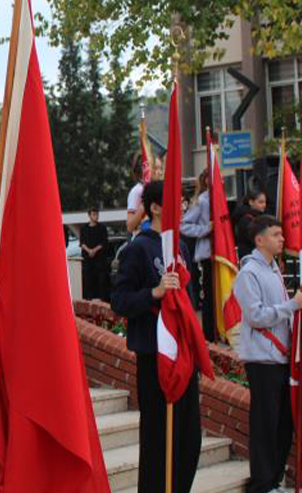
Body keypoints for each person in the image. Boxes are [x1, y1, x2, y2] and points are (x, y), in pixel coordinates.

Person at [111, 181, 201, 493]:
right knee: (158, 438)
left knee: (189, 439)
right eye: (175, 201)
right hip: (154, 355)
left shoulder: (181, 246)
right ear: (155, 207)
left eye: (184, 202)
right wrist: (155, 292)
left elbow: (190, 300)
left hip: (184, 355)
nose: (182, 207)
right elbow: (120, 301)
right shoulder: (138, 248)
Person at [233, 214, 302, 493]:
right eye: (276, 234)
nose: (282, 239)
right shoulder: (248, 273)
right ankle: (262, 483)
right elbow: (256, 316)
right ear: (259, 239)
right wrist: (293, 305)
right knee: (265, 425)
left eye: (281, 234)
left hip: (281, 358)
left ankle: (275, 478)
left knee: (283, 424)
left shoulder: (274, 269)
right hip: (262, 359)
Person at [180, 170, 214, 338]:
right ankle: (208, 333)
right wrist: (206, 230)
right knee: (209, 295)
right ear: (207, 180)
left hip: (222, 254)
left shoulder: (220, 200)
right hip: (208, 254)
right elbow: (183, 225)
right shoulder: (202, 201)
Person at [80, 208, 110, 301]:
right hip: (87, 259)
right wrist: (89, 251)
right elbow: (82, 242)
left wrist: (94, 250)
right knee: (88, 278)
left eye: (97, 214)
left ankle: (102, 298)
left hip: (100, 259)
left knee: (101, 278)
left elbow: (104, 242)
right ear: (89, 216)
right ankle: (89, 298)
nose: (96, 216)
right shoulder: (84, 228)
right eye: (93, 214)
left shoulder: (102, 228)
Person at [232, 188, 267, 260]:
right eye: (260, 202)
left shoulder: (258, 216)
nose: (264, 205)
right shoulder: (246, 219)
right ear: (251, 202)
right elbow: (253, 238)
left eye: (265, 202)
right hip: (250, 255)